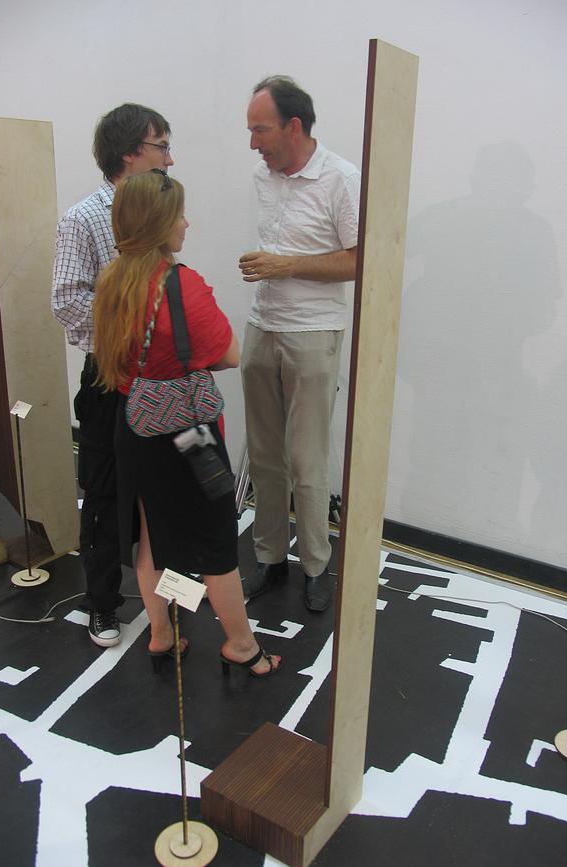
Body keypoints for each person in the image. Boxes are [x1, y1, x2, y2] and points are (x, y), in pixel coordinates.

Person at [93, 169, 280, 677]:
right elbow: (230, 355)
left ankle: (160, 633)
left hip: (134, 425)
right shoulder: (182, 285)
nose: (186, 223)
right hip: (187, 435)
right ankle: (241, 645)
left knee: (151, 533)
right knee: (216, 541)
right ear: (159, 224)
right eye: (178, 215)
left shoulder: (110, 283)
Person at [52, 103, 174, 647]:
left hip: (161, 377)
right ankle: (102, 604)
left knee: (163, 494)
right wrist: (129, 326)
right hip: (109, 377)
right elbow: (66, 300)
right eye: (161, 146)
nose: (169, 158)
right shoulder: (83, 218)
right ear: (128, 154)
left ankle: (166, 602)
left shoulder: (160, 209)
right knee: (104, 495)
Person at [239, 75, 360, 611]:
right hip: (261, 326)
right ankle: (269, 558)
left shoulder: (342, 179)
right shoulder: (262, 175)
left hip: (313, 333)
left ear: (293, 126)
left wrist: (285, 265)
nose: (253, 143)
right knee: (264, 454)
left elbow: (359, 259)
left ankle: (315, 565)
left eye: (260, 130)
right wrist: (273, 268)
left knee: (306, 459)